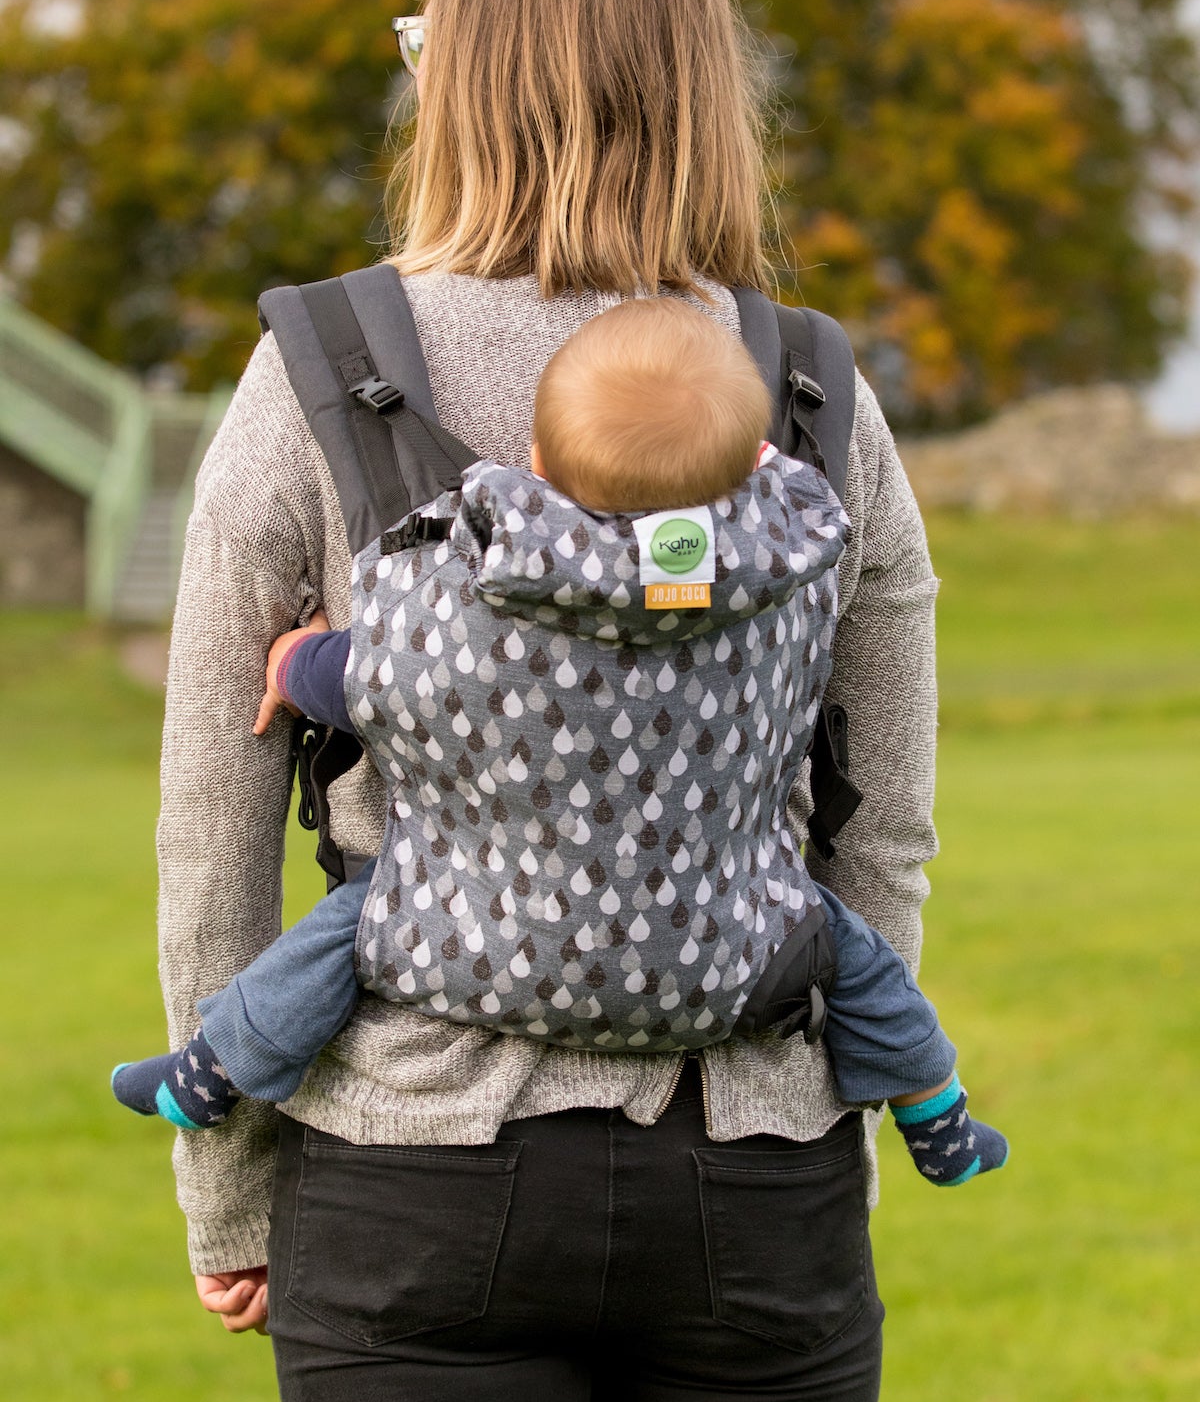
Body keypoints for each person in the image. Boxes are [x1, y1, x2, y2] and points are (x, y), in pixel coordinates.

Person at [154, 0, 966, 1402]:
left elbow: (216, 830)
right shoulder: (811, 392)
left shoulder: (311, 378)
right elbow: (881, 827)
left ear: (455, 83)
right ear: (703, 87)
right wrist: (840, 1125)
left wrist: (231, 1191)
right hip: (752, 1166)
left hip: (410, 1177)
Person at [117, 300, 1006, 1198]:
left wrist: (292, 659)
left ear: (533, 468)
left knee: (347, 928)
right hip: (735, 946)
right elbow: (884, 827)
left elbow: (367, 678)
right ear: (748, 472)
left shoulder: (466, 612)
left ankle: (211, 1072)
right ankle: (937, 1113)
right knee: (857, 955)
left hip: (460, 942)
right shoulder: (785, 589)